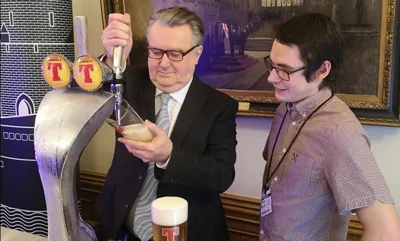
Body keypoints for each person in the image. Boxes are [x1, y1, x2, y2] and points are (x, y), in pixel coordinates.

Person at [97, 6, 238, 241]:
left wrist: (168, 156)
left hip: (186, 230)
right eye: (155, 51)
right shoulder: (128, 80)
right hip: (120, 224)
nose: (163, 63)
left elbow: (222, 175)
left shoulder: (219, 106)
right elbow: (90, 96)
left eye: (175, 53)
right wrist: (112, 60)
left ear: (197, 54)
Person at [259, 12, 400, 241]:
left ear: (322, 70)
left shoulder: (340, 131)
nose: (271, 78)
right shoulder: (283, 109)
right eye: (271, 65)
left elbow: (386, 232)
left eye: (284, 70)